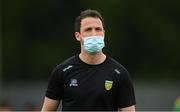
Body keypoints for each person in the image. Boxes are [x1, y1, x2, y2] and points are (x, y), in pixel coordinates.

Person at [42, 9, 136, 111]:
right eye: (88, 29)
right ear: (78, 36)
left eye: (98, 29)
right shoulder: (62, 71)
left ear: (104, 33)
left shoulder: (119, 73)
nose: (94, 34)